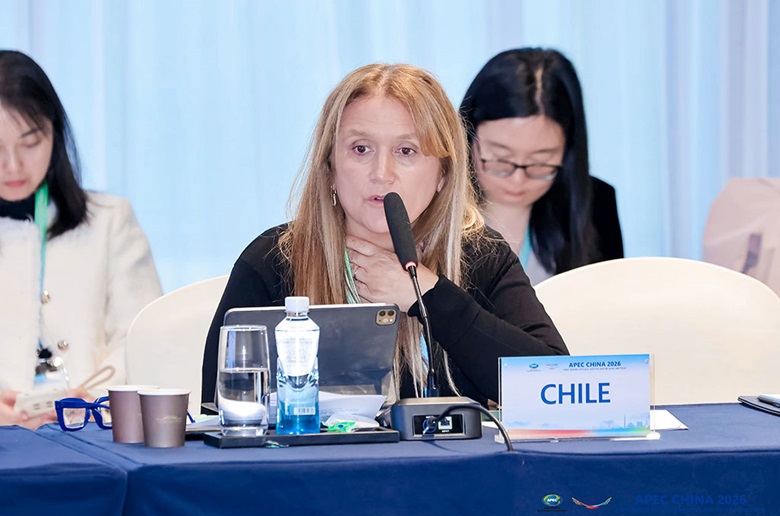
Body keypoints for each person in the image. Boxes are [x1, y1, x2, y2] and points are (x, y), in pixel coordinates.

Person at [202, 63, 567, 407]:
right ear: (329, 168)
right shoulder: (273, 260)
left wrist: (430, 296)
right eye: (361, 149)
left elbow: (556, 389)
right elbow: (222, 411)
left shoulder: (480, 255)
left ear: (443, 174)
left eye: (406, 151)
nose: (381, 173)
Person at [0, 50, 162, 428]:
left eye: (30, 143)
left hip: (91, 431)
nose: (13, 165)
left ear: (55, 134)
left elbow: (142, 336)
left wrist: (98, 398)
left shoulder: (109, 220)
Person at [460, 48, 624, 285]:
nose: (518, 179)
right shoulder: (432, 201)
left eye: (540, 162)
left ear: (567, 150)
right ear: (467, 135)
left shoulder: (596, 204)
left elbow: (610, 300)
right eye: (501, 158)